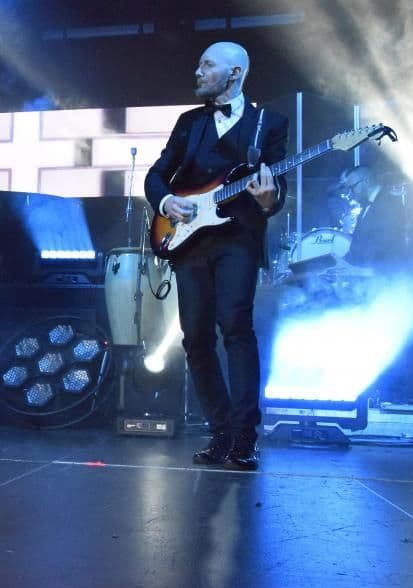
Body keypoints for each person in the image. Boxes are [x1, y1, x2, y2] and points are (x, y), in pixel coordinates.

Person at [144, 42, 288, 470]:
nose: (197, 70)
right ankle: (221, 431)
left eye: (206, 64)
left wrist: (268, 200)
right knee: (195, 338)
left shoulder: (268, 124)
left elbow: (275, 190)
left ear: (235, 72)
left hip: (238, 239)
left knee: (236, 327)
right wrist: (167, 202)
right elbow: (157, 174)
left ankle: (244, 437)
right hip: (189, 241)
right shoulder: (190, 122)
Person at [335, 165, 397, 270]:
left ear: (367, 182)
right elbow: (359, 244)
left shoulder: (389, 204)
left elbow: (385, 246)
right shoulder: (365, 207)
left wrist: (361, 269)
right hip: (367, 272)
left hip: (383, 273)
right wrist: (342, 262)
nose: (350, 193)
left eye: (352, 187)